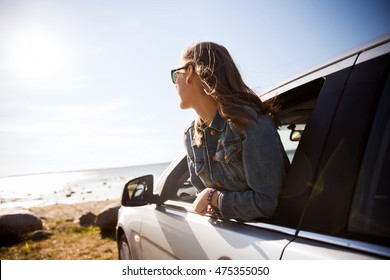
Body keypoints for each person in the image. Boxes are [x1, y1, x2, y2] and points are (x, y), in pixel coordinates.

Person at [171, 42, 289, 221]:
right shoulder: (191, 136)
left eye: (175, 75)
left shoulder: (249, 121)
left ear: (189, 72)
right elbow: (201, 198)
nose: (174, 83)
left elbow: (267, 203)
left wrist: (214, 198)